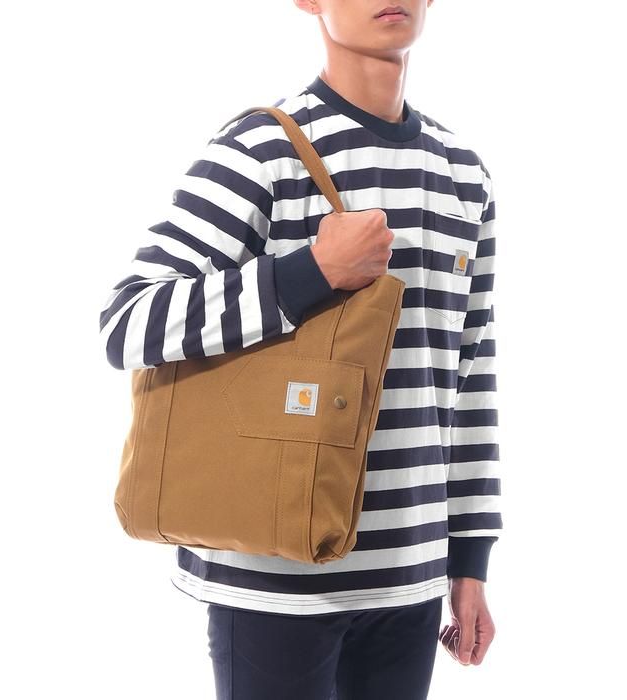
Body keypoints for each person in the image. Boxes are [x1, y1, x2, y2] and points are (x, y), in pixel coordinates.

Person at [98, 1, 503, 698]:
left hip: (410, 580)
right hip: (271, 582)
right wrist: (310, 272)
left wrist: (470, 560)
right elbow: (128, 322)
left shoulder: (463, 175)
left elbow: (469, 376)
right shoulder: (262, 150)